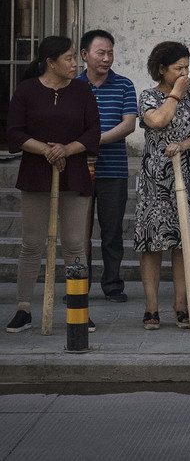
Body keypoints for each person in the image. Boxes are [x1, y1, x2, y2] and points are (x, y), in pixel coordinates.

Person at [6, 36, 100, 333]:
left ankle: (78, 307)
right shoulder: (27, 90)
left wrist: (67, 149)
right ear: (51, 62)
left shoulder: (82, 90)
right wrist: (45, 150)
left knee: (74, 245)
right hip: (36, 174)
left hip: (74, 173)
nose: (76, 63)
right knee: (32, 244)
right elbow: (14, 132)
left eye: (75, 58)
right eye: (70, 58)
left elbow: (93, 131)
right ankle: (23, 308)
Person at [135, 42, 190, 330]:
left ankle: (183, 305)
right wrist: (175, 94)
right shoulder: (148, 96)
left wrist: (184, 145)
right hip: (157, 177)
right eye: (177, 68)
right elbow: (158, 120)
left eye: (187, 67)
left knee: (186, 242)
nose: (185, 73)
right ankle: (151, 308)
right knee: (153, 241)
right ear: (161, 69)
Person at [77, 29, 137, 303]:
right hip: (78, 170)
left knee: (112, 232)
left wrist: (93, 141)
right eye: (100, 53)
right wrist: (83, 147)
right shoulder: (72, 87)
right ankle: (79, 287)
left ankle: (112, 284)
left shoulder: (124, 85)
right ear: (84, 55)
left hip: (113, 170)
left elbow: (128, 124)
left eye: (110, 52)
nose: (106, 58)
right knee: (79, 234)